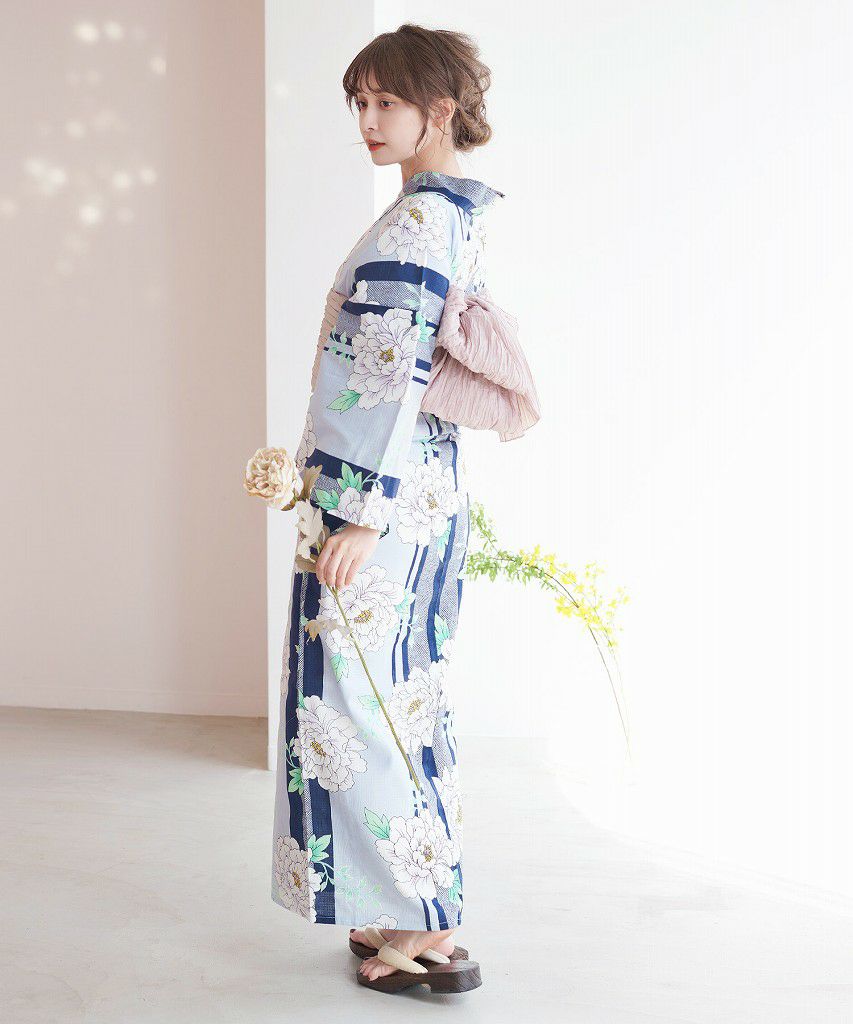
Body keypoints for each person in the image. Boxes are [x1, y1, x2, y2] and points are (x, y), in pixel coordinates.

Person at [271, 23, 502, 994]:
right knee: (395, 693)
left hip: (379, 499)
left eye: (385, 102)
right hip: (418, 489)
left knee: (361, 702)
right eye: (357, 102)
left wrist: (360, 512)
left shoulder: (416, 224)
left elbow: (392, 373)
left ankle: (421, 923)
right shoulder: (446, 211)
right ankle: (411, 912)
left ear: (437, 110)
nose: (366, 120)